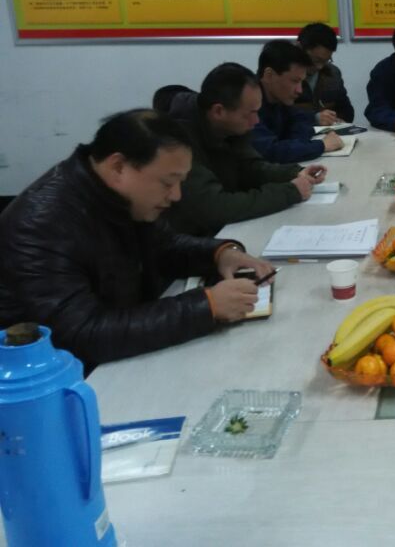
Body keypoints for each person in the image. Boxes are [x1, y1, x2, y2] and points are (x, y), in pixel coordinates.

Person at [0, 110, 275, 370]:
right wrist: (207, 306)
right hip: (64, 381)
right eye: (168, 183)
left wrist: (220, 254)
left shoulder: (116, 196)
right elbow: (81, 334)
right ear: (118, 167)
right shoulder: (42, 224)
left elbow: (165, 246)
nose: (176, 195)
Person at [164, 63, 326, 236]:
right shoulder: (177, 142)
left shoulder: (230, 127)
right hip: (193, 239)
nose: (256, 121)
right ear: (218, 111)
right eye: (250, 113)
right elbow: (214, 207)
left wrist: (295, 173)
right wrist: (290, 192)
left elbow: (251, 167)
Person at [251, 39, 343, 163]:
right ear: (269, 75)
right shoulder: (246, 105)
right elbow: (270, 151)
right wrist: (322, 145)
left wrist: (293, 146)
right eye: (294, 81)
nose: (300, 90)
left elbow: (300, 122)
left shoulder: (280, 100)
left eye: (301, 82)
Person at [296, 22, 355, 125]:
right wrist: (314, 119)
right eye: (316, 60)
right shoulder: (284, 75)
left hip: (330, 132)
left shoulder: (333, 74)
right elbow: (279, 117)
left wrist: (337, 118)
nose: (320, 67)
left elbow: (347, 112)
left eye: (326, 60)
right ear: (299, 48)